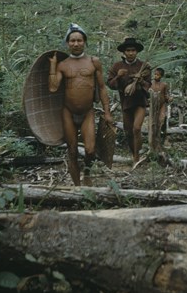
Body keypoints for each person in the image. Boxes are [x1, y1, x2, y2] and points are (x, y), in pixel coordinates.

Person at [49, 23, 112, 186]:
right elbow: (53, 87)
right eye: (72, 41)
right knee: (72, 150)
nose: (76, 44)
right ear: (67, 43)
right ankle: (77, 187)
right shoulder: (63, 65)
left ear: (84, 42)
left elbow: (103, 87)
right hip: (68, 112)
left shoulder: (93, 62)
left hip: (87, 112)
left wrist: (107, 112)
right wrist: (52, 65)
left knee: (90, 149)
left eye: (79, 40)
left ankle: (88, 173)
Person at [107, 37, 151, 165]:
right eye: (128, 50)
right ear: (124, 52)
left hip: (140, 102)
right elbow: (110, 84)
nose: (131, 53)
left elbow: (149, 86)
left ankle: (137, 158)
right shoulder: (117, 66)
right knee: (128, 131)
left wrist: (141, 80)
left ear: (137, 52)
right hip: (126, 103)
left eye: (133, 50)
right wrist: (118, 76)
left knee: (137, 128)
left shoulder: (143, 66)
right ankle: (134, 153)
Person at [151, 67, 170, 142]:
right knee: (153, 122)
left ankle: (162, 137)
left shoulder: (164, 85)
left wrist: (169, 98)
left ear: (161, 76)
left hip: (162, 105)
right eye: (155, 74)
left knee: (161, 120)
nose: (156, 76)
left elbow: (166, 95)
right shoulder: (150, 84)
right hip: (153, 106)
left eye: (157, 75)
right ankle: (153, 138)